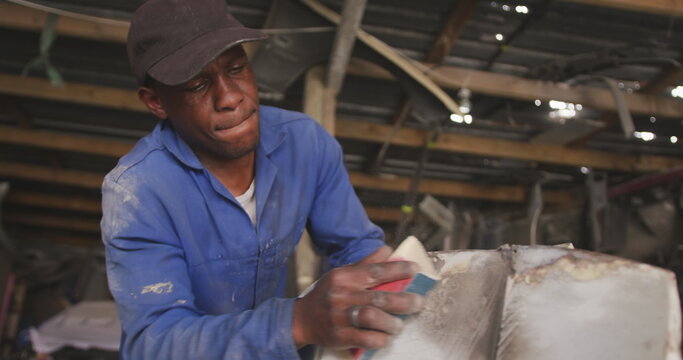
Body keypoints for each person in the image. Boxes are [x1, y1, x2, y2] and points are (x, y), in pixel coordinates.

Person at [100, 0, 424, 358]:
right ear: (156, 102)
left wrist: (385, 285)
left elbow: (357, 246)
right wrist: (297, 322)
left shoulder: (304, 144)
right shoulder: (138, 191)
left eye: (237, 68)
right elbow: (154, 342)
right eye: (197, 85)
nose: (230, 97)